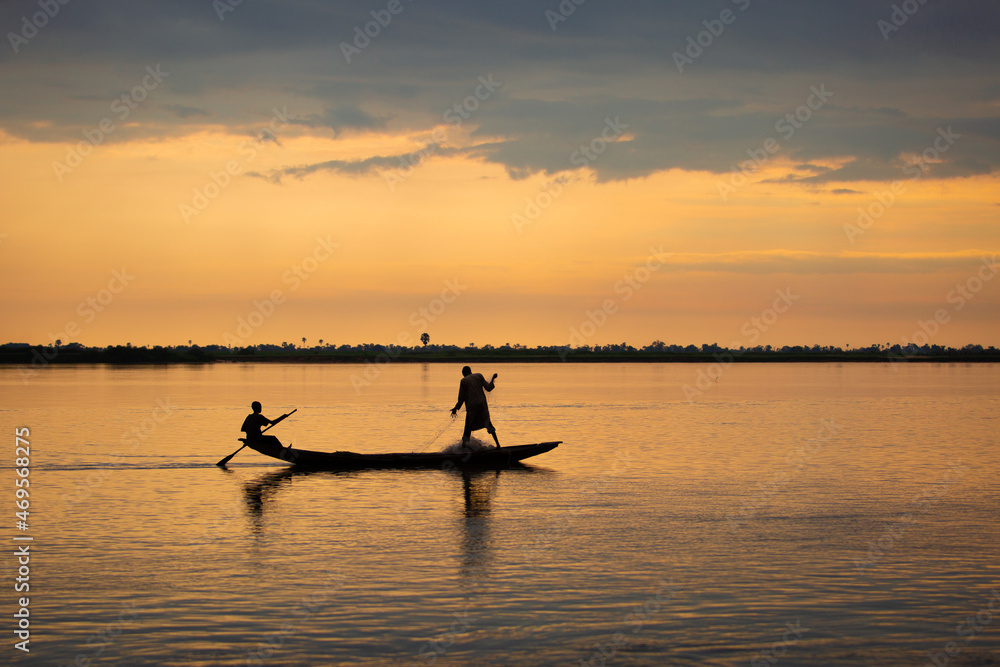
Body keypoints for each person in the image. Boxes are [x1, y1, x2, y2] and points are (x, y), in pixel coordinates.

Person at [451, 366, 501, 448]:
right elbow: (488, 388)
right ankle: (498, 445)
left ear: (463, 374)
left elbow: (461, 398)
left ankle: (463, 448)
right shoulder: (479, 376)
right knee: (488, 424)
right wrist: (493, 379)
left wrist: (455, 408)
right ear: (470, 371)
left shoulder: (464, 380)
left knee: (468, 427)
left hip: (472, 407)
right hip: (482, 405)